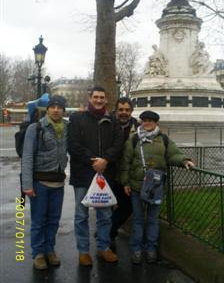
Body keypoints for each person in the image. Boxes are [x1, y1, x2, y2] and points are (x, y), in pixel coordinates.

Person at [120, 110, 194, 264]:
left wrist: (184, 160)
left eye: (150, 121)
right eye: (144, 120)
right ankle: (136, 249)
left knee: (153, 219)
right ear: (141, 122)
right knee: (138, 220)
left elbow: (173, 154)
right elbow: (125, 163)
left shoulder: (164, 139)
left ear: (156, 123)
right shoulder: (133, 140)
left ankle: (151, 249)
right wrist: (125, 182)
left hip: (155, 188)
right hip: (136, 187)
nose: (147, 123)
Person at [68, 86, 123, 266]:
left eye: (102, 97)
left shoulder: (113, 121)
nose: (99, 100)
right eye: (96, 97)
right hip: (83, 173)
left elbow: (118, 143)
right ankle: (83, 251)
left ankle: (103, 247)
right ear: (90, 98)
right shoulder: (77, 118)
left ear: (106, 100)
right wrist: (94, 161)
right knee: (81, 215)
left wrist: (105, 160)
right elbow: (73, 144)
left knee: (105, 215)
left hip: (105, 174)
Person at [21, 95, 68, 270]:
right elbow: (27, 157)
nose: (56, 110)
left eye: (60, 107)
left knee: (54, 220)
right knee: (39, 220)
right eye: (53, 106)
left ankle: (50, 250)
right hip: (40, 182)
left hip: (58, 182)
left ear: (63, 110)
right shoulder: (36, 127)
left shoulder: (67, 127)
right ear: (47, 109)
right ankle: (38, 253)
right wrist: (27, 184)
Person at [110, 97, 139, 240]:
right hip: (109, 173)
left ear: (131, 111)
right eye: (121, 109)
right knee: (106, 207)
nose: (124, 113)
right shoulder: (107, 124)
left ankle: (109, 231)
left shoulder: (139, 128)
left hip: (127, 175)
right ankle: (106, 238)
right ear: (116, 110)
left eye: (127, 110)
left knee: (127, 207)